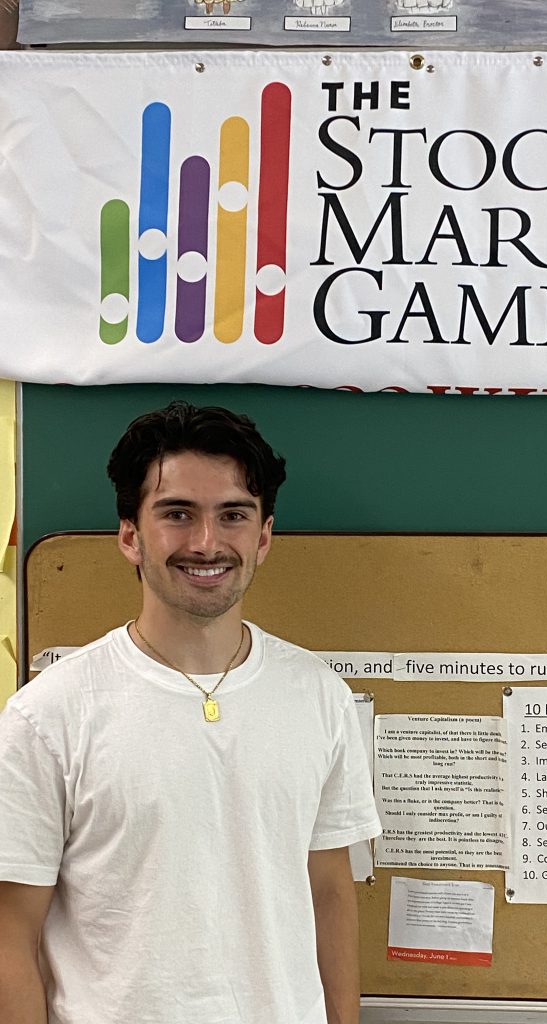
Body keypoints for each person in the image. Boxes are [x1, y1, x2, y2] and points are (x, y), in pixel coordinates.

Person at [0, 400, 381, 1024]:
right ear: (130, 535)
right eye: (177, 514)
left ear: (262, 536)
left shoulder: (320, 696)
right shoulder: (47, 717)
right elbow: (10, 935)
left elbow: (330, 895)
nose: (207, 542)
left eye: (233, 515)